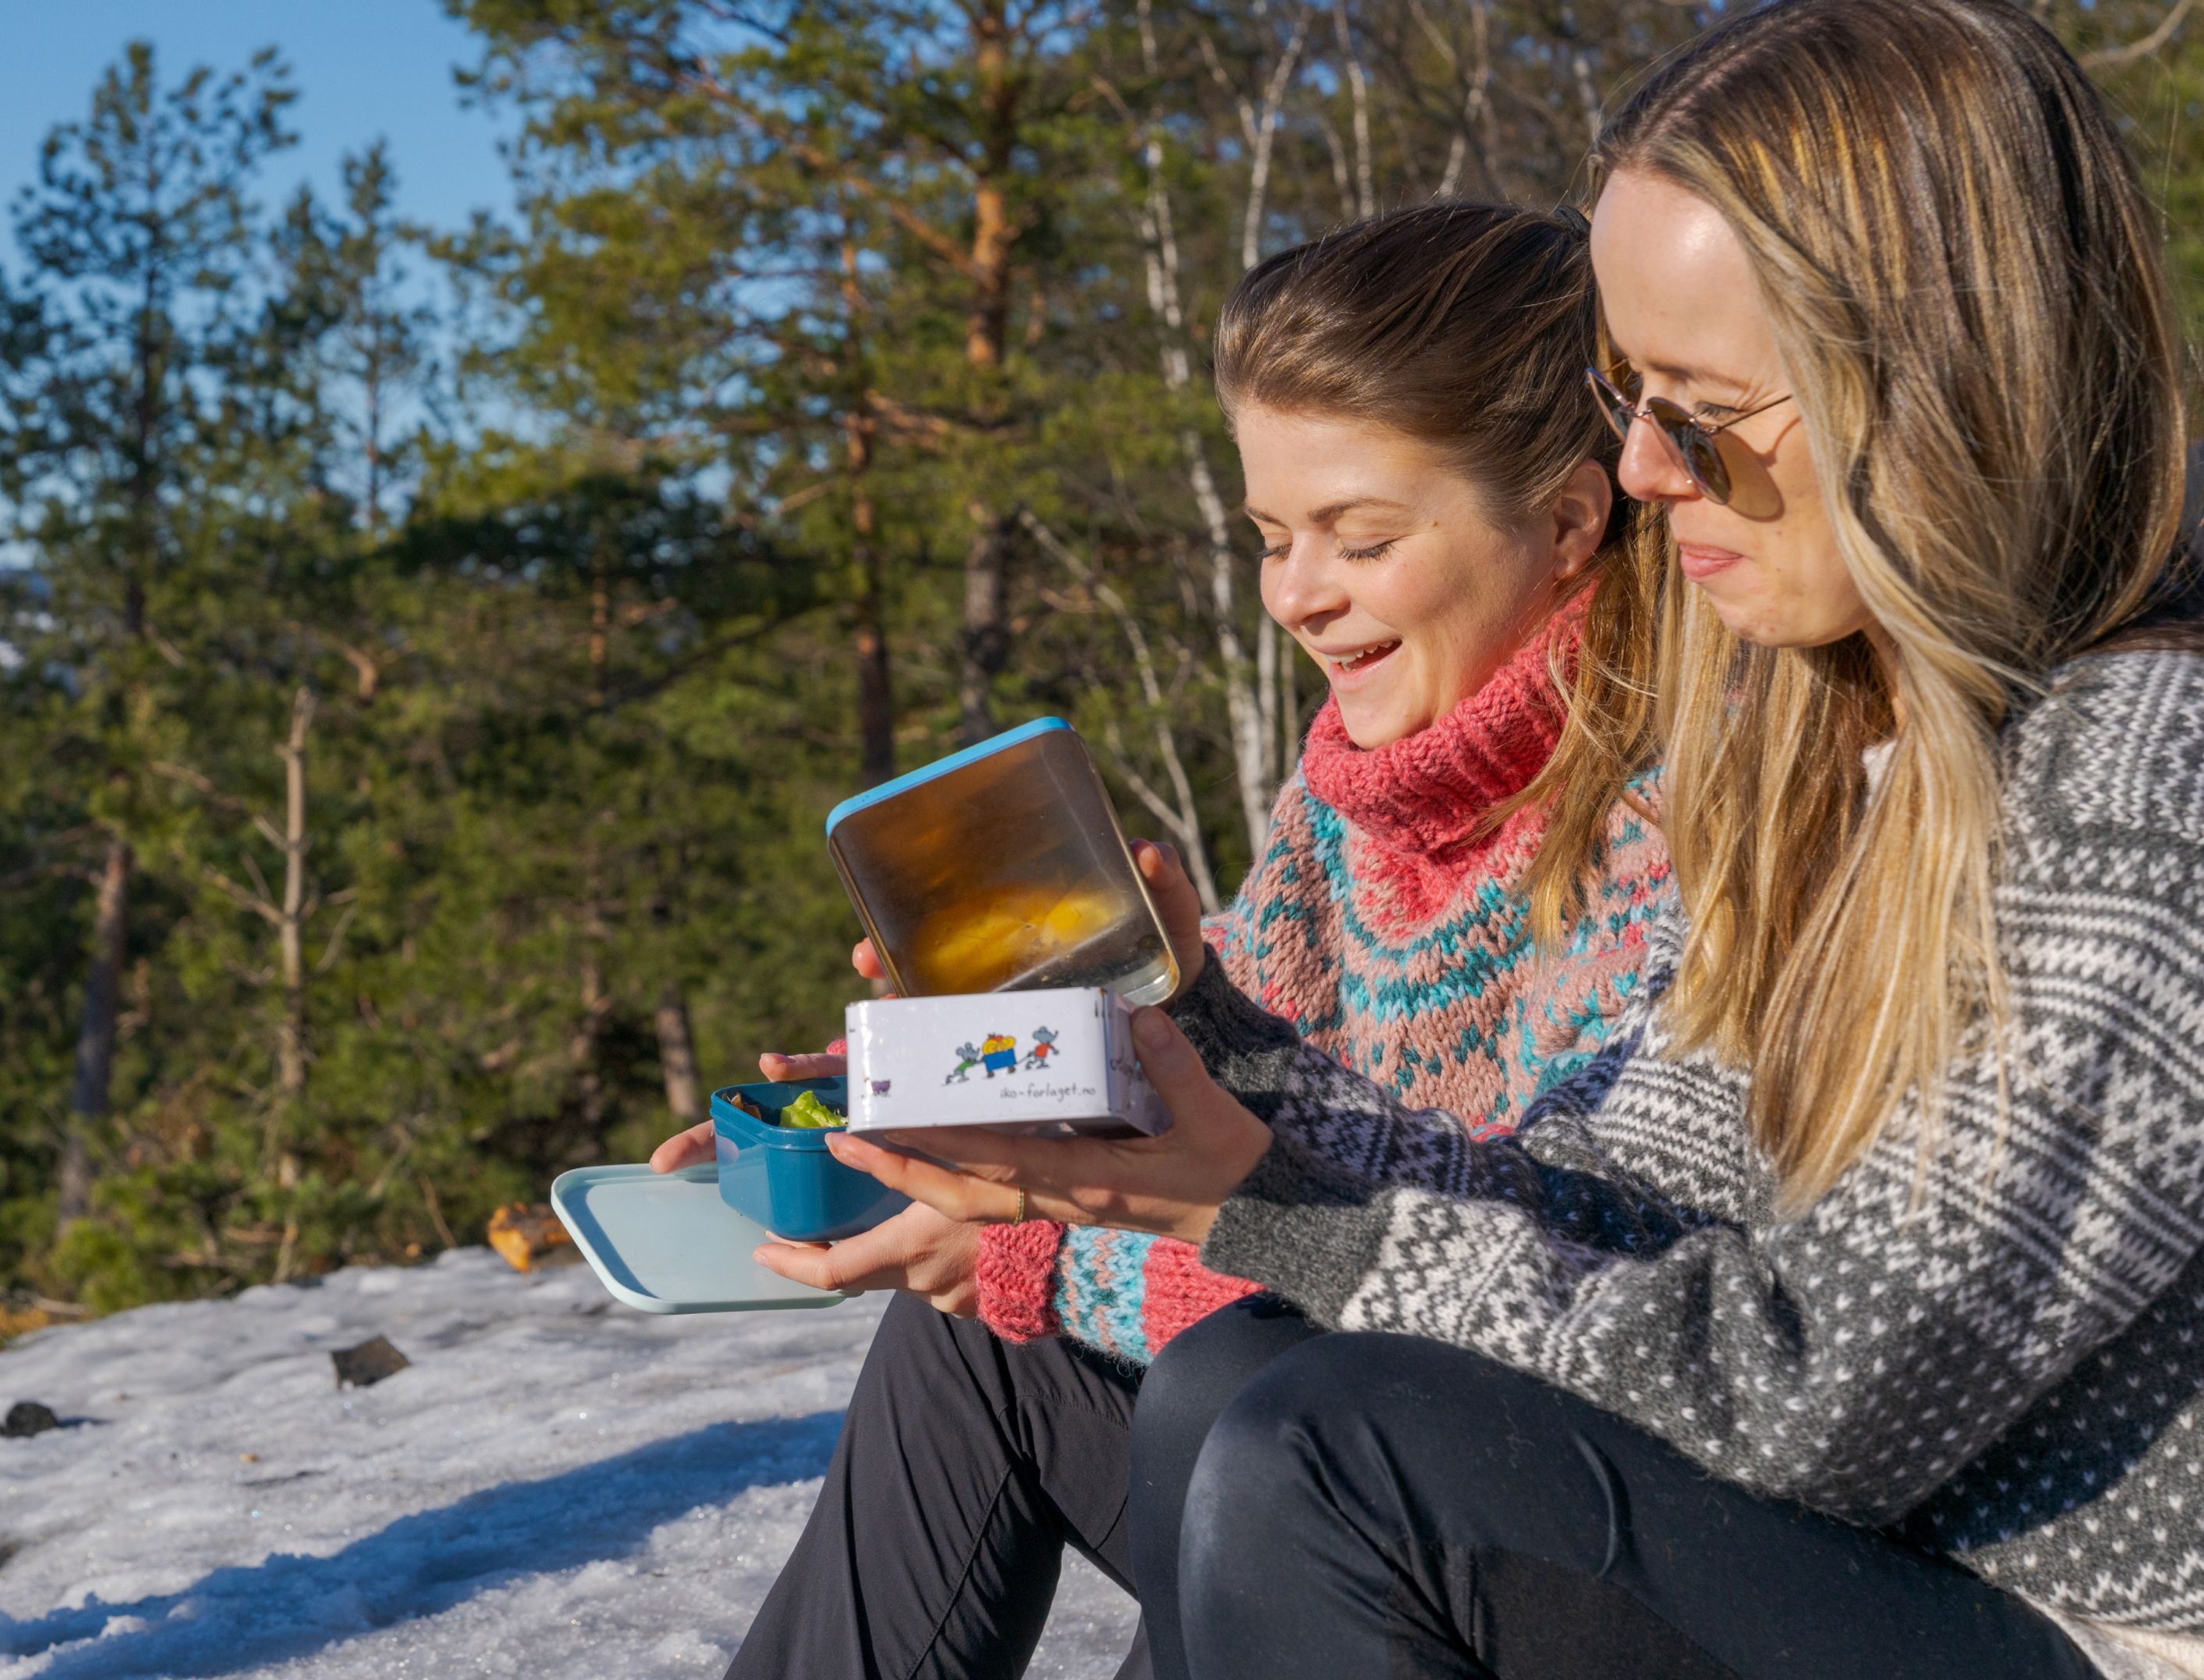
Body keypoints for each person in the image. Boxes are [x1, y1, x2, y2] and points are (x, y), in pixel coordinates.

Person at [834, 1, 2204, 1675]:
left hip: (2097, 1630)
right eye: (1629, 394)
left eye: (1699, 405)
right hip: (1863, 1561)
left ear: (1928, 383)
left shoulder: (2150, 788)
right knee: (1234, 1396)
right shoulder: (1854, 737)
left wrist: (1272, 1216)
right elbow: (1641, 1204)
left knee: (1328, 1453)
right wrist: (1202, 1104)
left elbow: (1817, 1395)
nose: (1639, 467)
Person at [656, 201, 1679, 1679]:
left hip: (1562, 1545)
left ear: (1576, 519)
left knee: (1216, 1384)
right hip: (1332, 1458)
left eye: (1361, 536)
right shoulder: (1347, 801)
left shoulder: (1683, 819)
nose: (1297, 594)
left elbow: (1534, 1320)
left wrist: (1035, 1246)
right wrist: (923, 1107)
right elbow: (1197, 1108)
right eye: (1271, 537)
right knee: (1009, 1347)